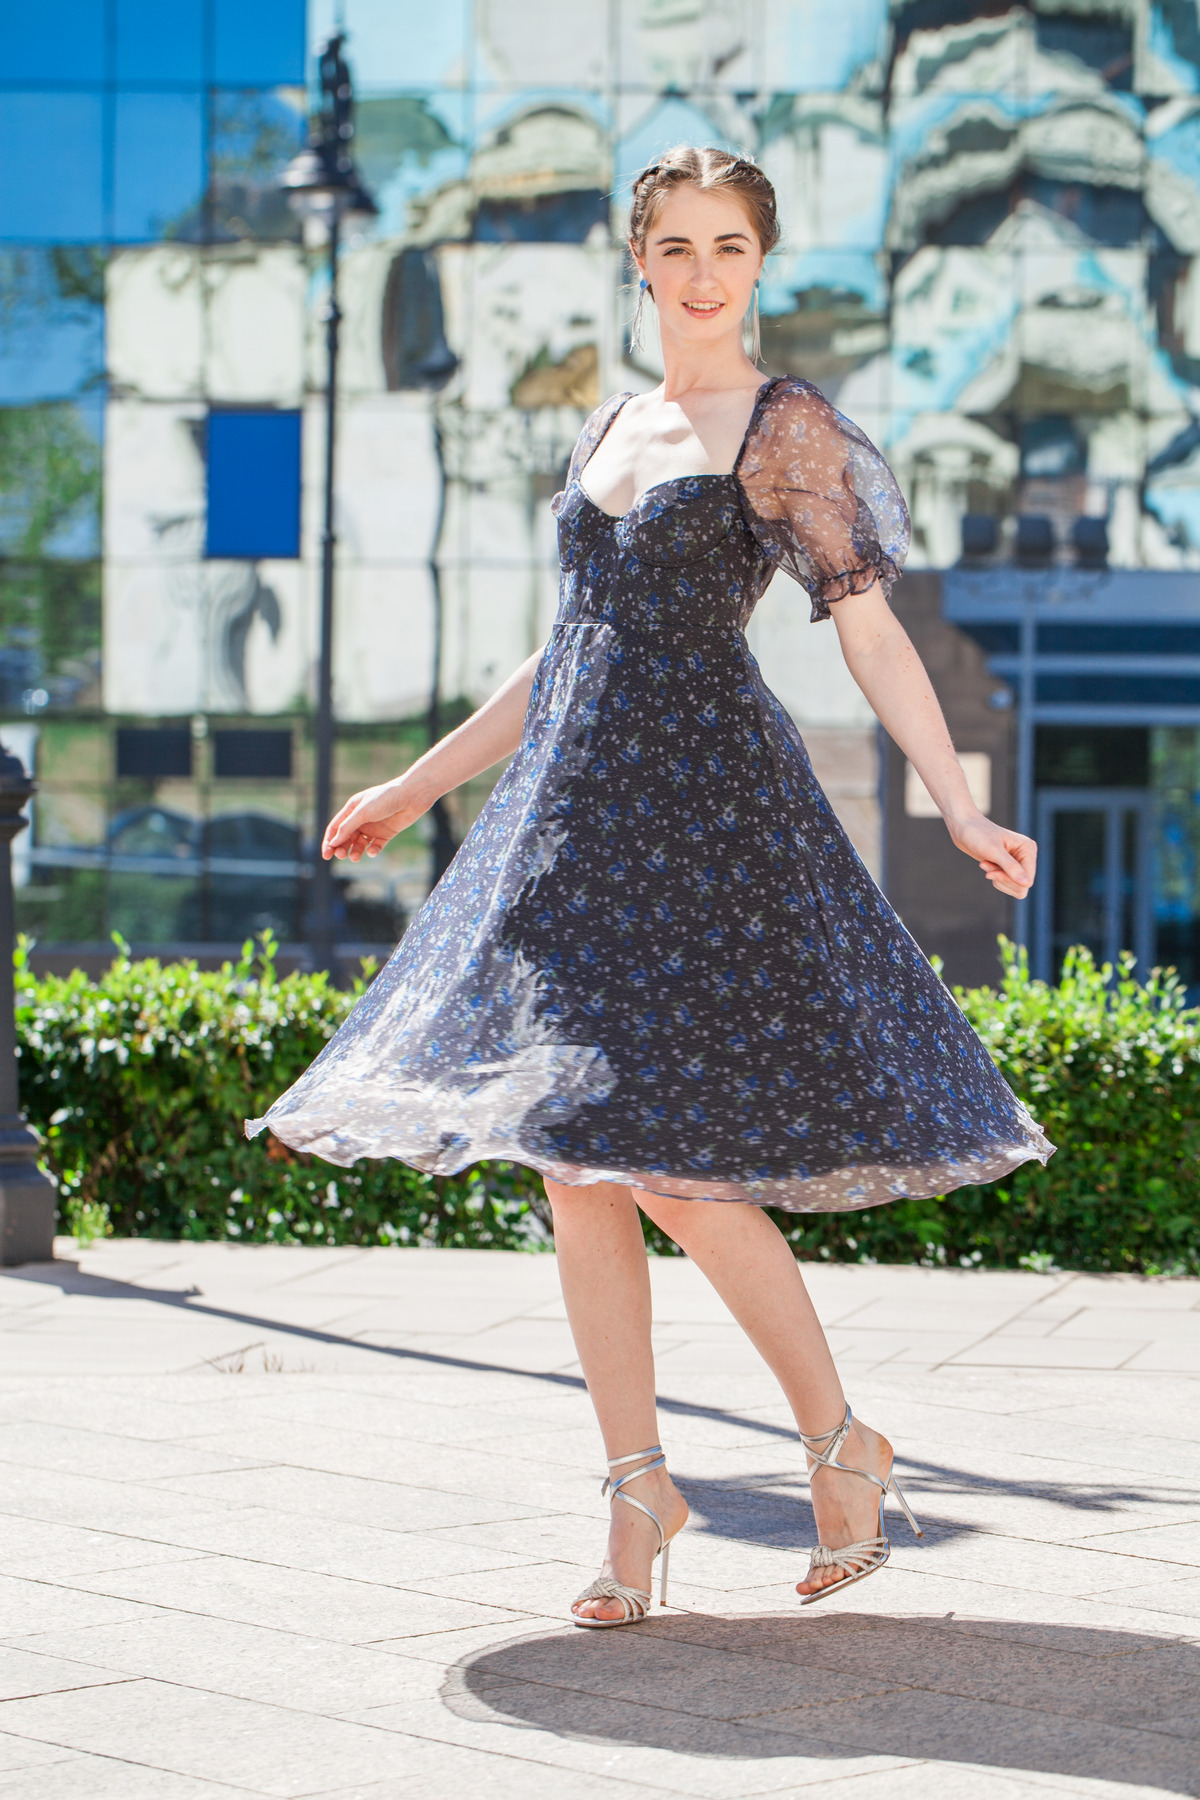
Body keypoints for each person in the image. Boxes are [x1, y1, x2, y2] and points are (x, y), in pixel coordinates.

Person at [248, 145, 1053, 1628]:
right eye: (674, 245)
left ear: (761, 263)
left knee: (676, 1175)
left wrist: (955, 804)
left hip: (709, 820)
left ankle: (839, 1441)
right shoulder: (611, 425)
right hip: (573, 823)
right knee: (574, 1168)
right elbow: (568, 650)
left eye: (728, 246)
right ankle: (639, 1490)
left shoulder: (785, 426)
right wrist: (417, 785)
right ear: (640, 261)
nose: (700, 272)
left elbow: (870, 635)